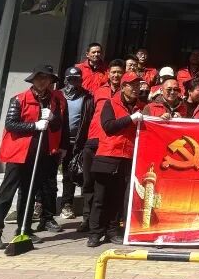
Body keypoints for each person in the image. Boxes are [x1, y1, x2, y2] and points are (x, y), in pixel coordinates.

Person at [0, 65, 67, 249]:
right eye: (39, 77)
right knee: (7, 194)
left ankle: (24, 230)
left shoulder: (54, 101)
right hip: (18, 154)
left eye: (46, 78)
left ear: (50, 81)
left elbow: (57, 127)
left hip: (38, 155)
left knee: (28, 194)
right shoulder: (19, 99)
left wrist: (53, 118)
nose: (43, 81)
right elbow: (11, 124)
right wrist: (34, 126)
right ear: (33, 79)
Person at [88, 72, 145, 247]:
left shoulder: (142, 107)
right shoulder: (110, 103)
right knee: (100, 198)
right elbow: (108, 127)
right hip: (108, 155)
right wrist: (130, 119)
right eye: (132, 85)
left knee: (118, 197)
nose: (136, 89)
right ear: (123, 87)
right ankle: (95, 233)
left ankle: (112, 231)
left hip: (128, 157)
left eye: (138, 85)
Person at [78, 59, 126, 233]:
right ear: (108, 73)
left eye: (119, 72)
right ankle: (87, 219)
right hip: (93, 140)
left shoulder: (127, 93)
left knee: (107, 186)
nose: (116, 75)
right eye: (113, 72)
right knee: (89, 182)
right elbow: (88, 115)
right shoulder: (98, 91)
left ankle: (106, 222)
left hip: (112, 144)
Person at [59, 66, 94, 220]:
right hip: (58, 141)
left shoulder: (87, 97)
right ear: (66, 80)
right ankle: (40, 204)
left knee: (71, 173)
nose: (73, 82)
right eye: (71, 79)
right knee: (48, 175)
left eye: (77, 79)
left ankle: (67, 204)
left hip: (77, 141)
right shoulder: (58, 95)